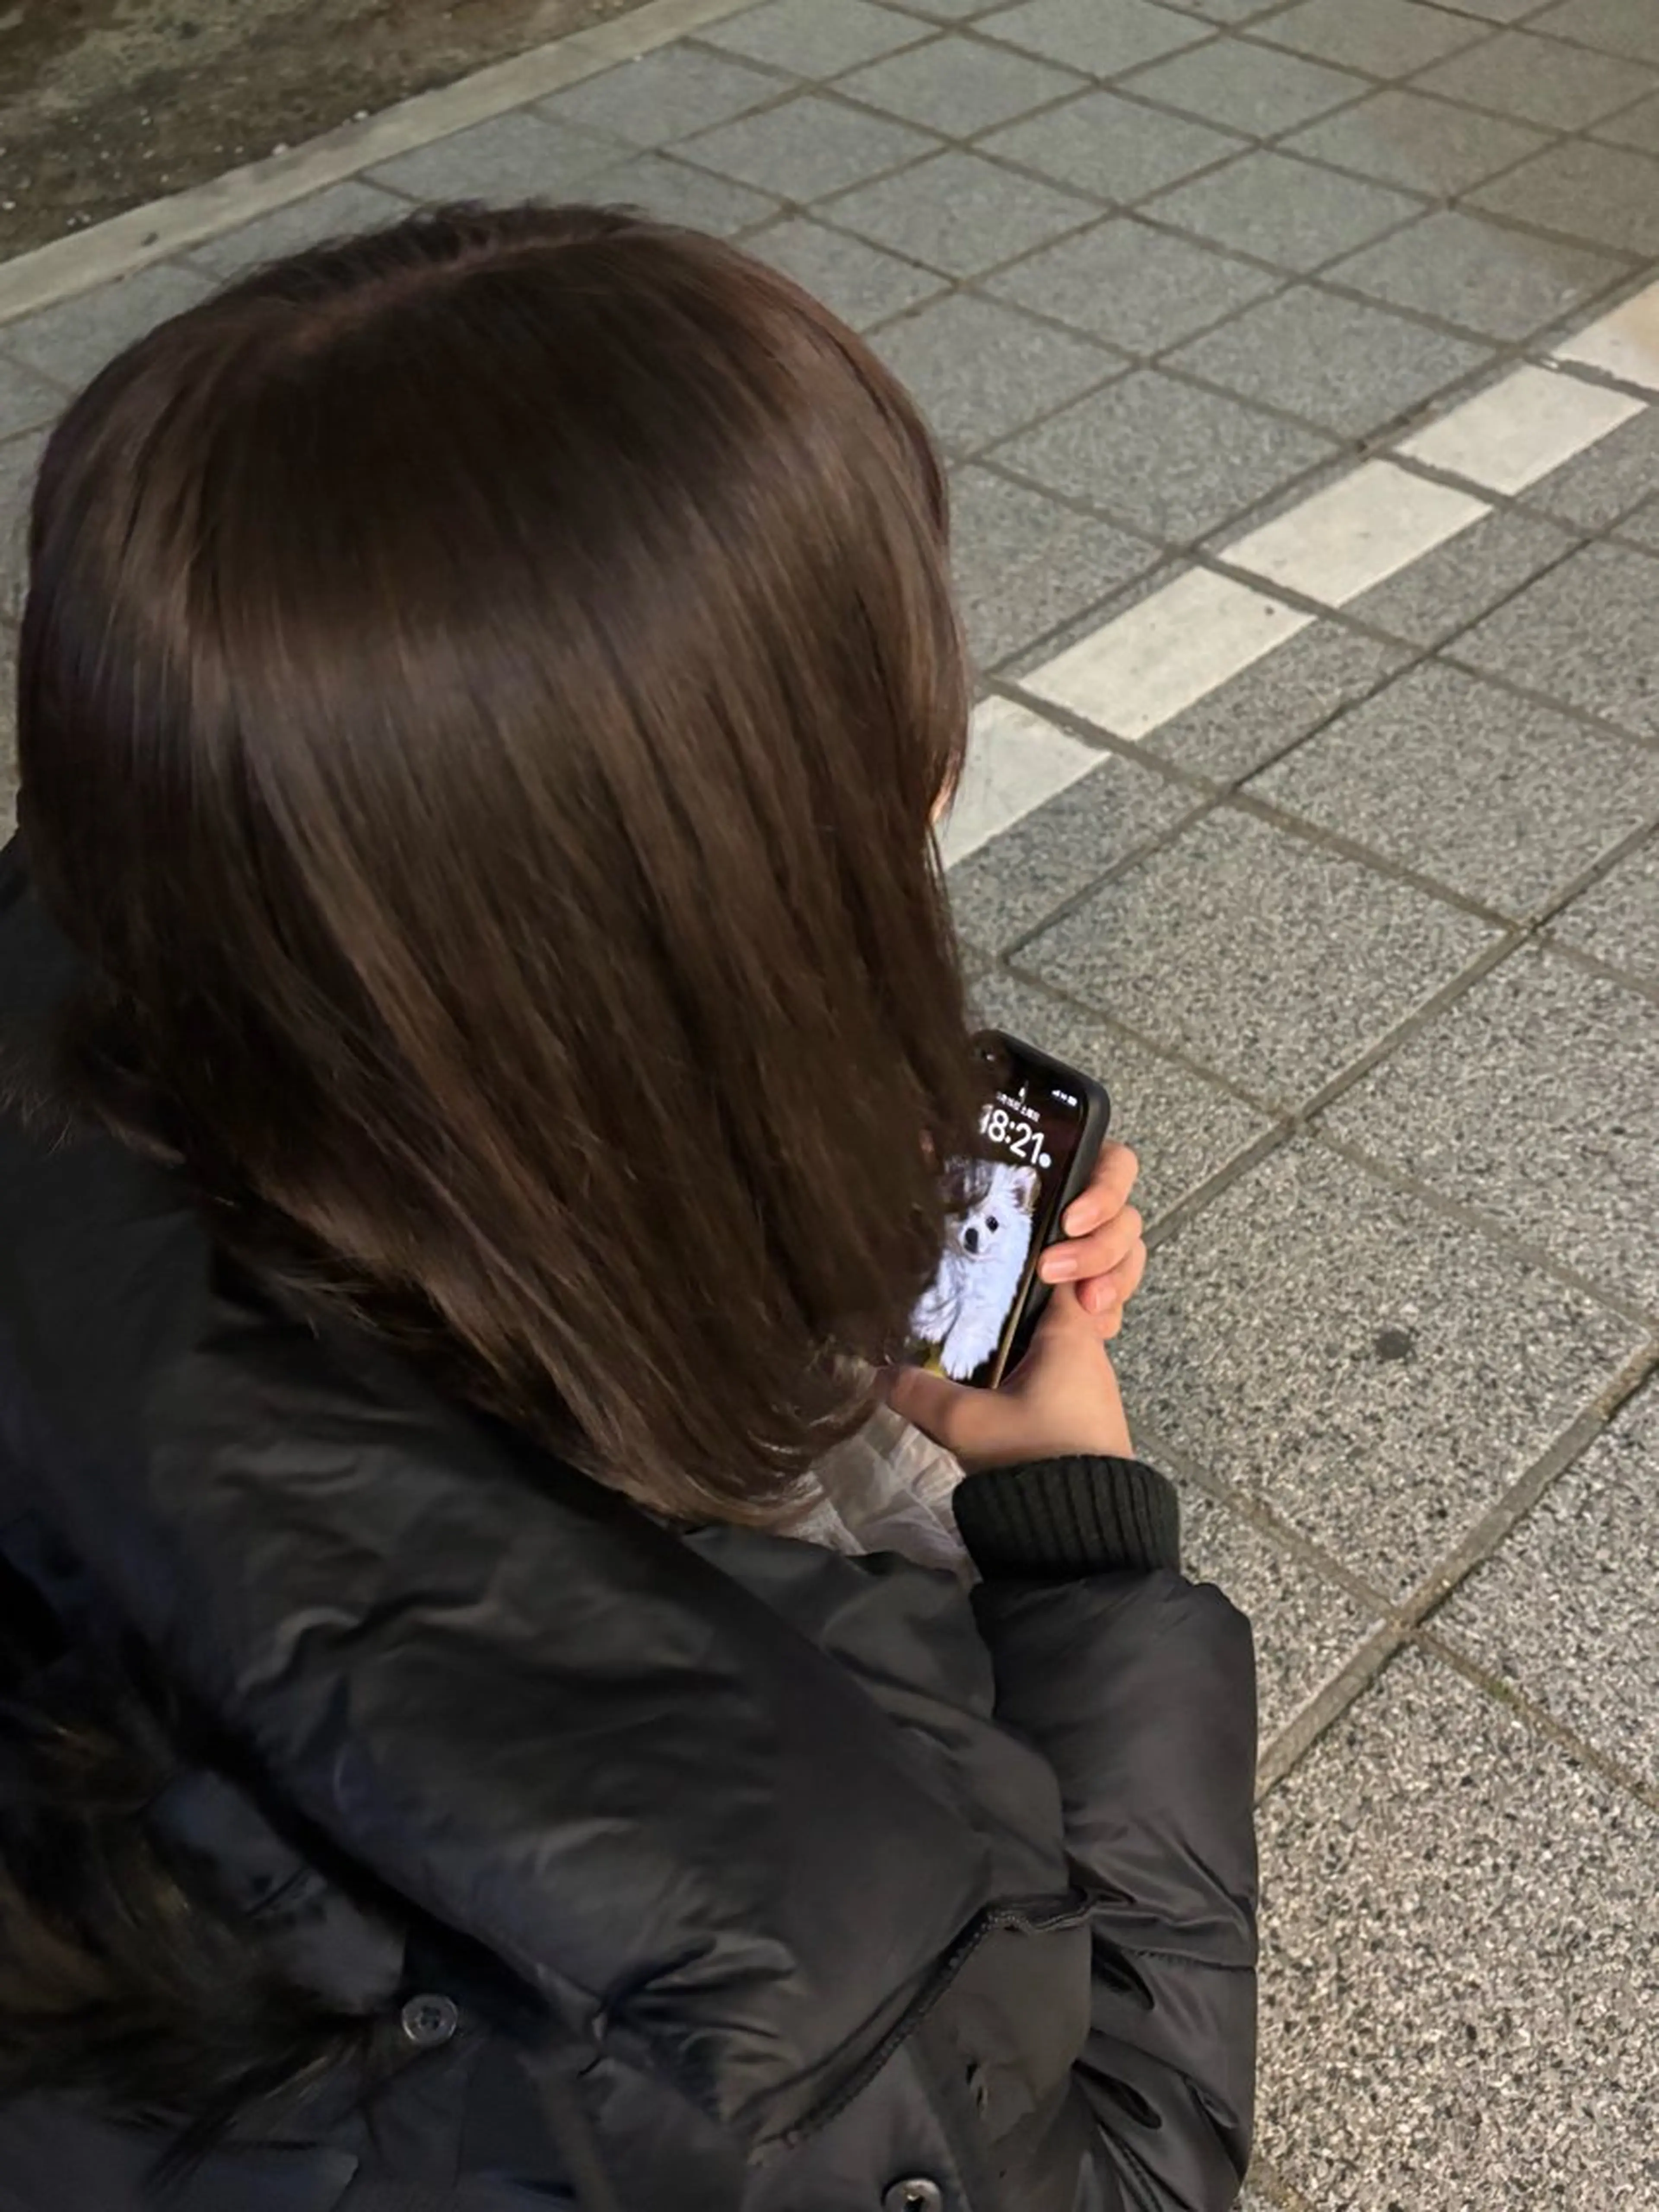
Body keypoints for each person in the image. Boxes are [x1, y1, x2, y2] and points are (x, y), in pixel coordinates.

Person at [0, 205, 1257, 2211]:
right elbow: (1114, 2169)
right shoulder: (794, 1936)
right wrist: (1086, 1558)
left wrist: (747, 1107)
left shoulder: (100, 949)